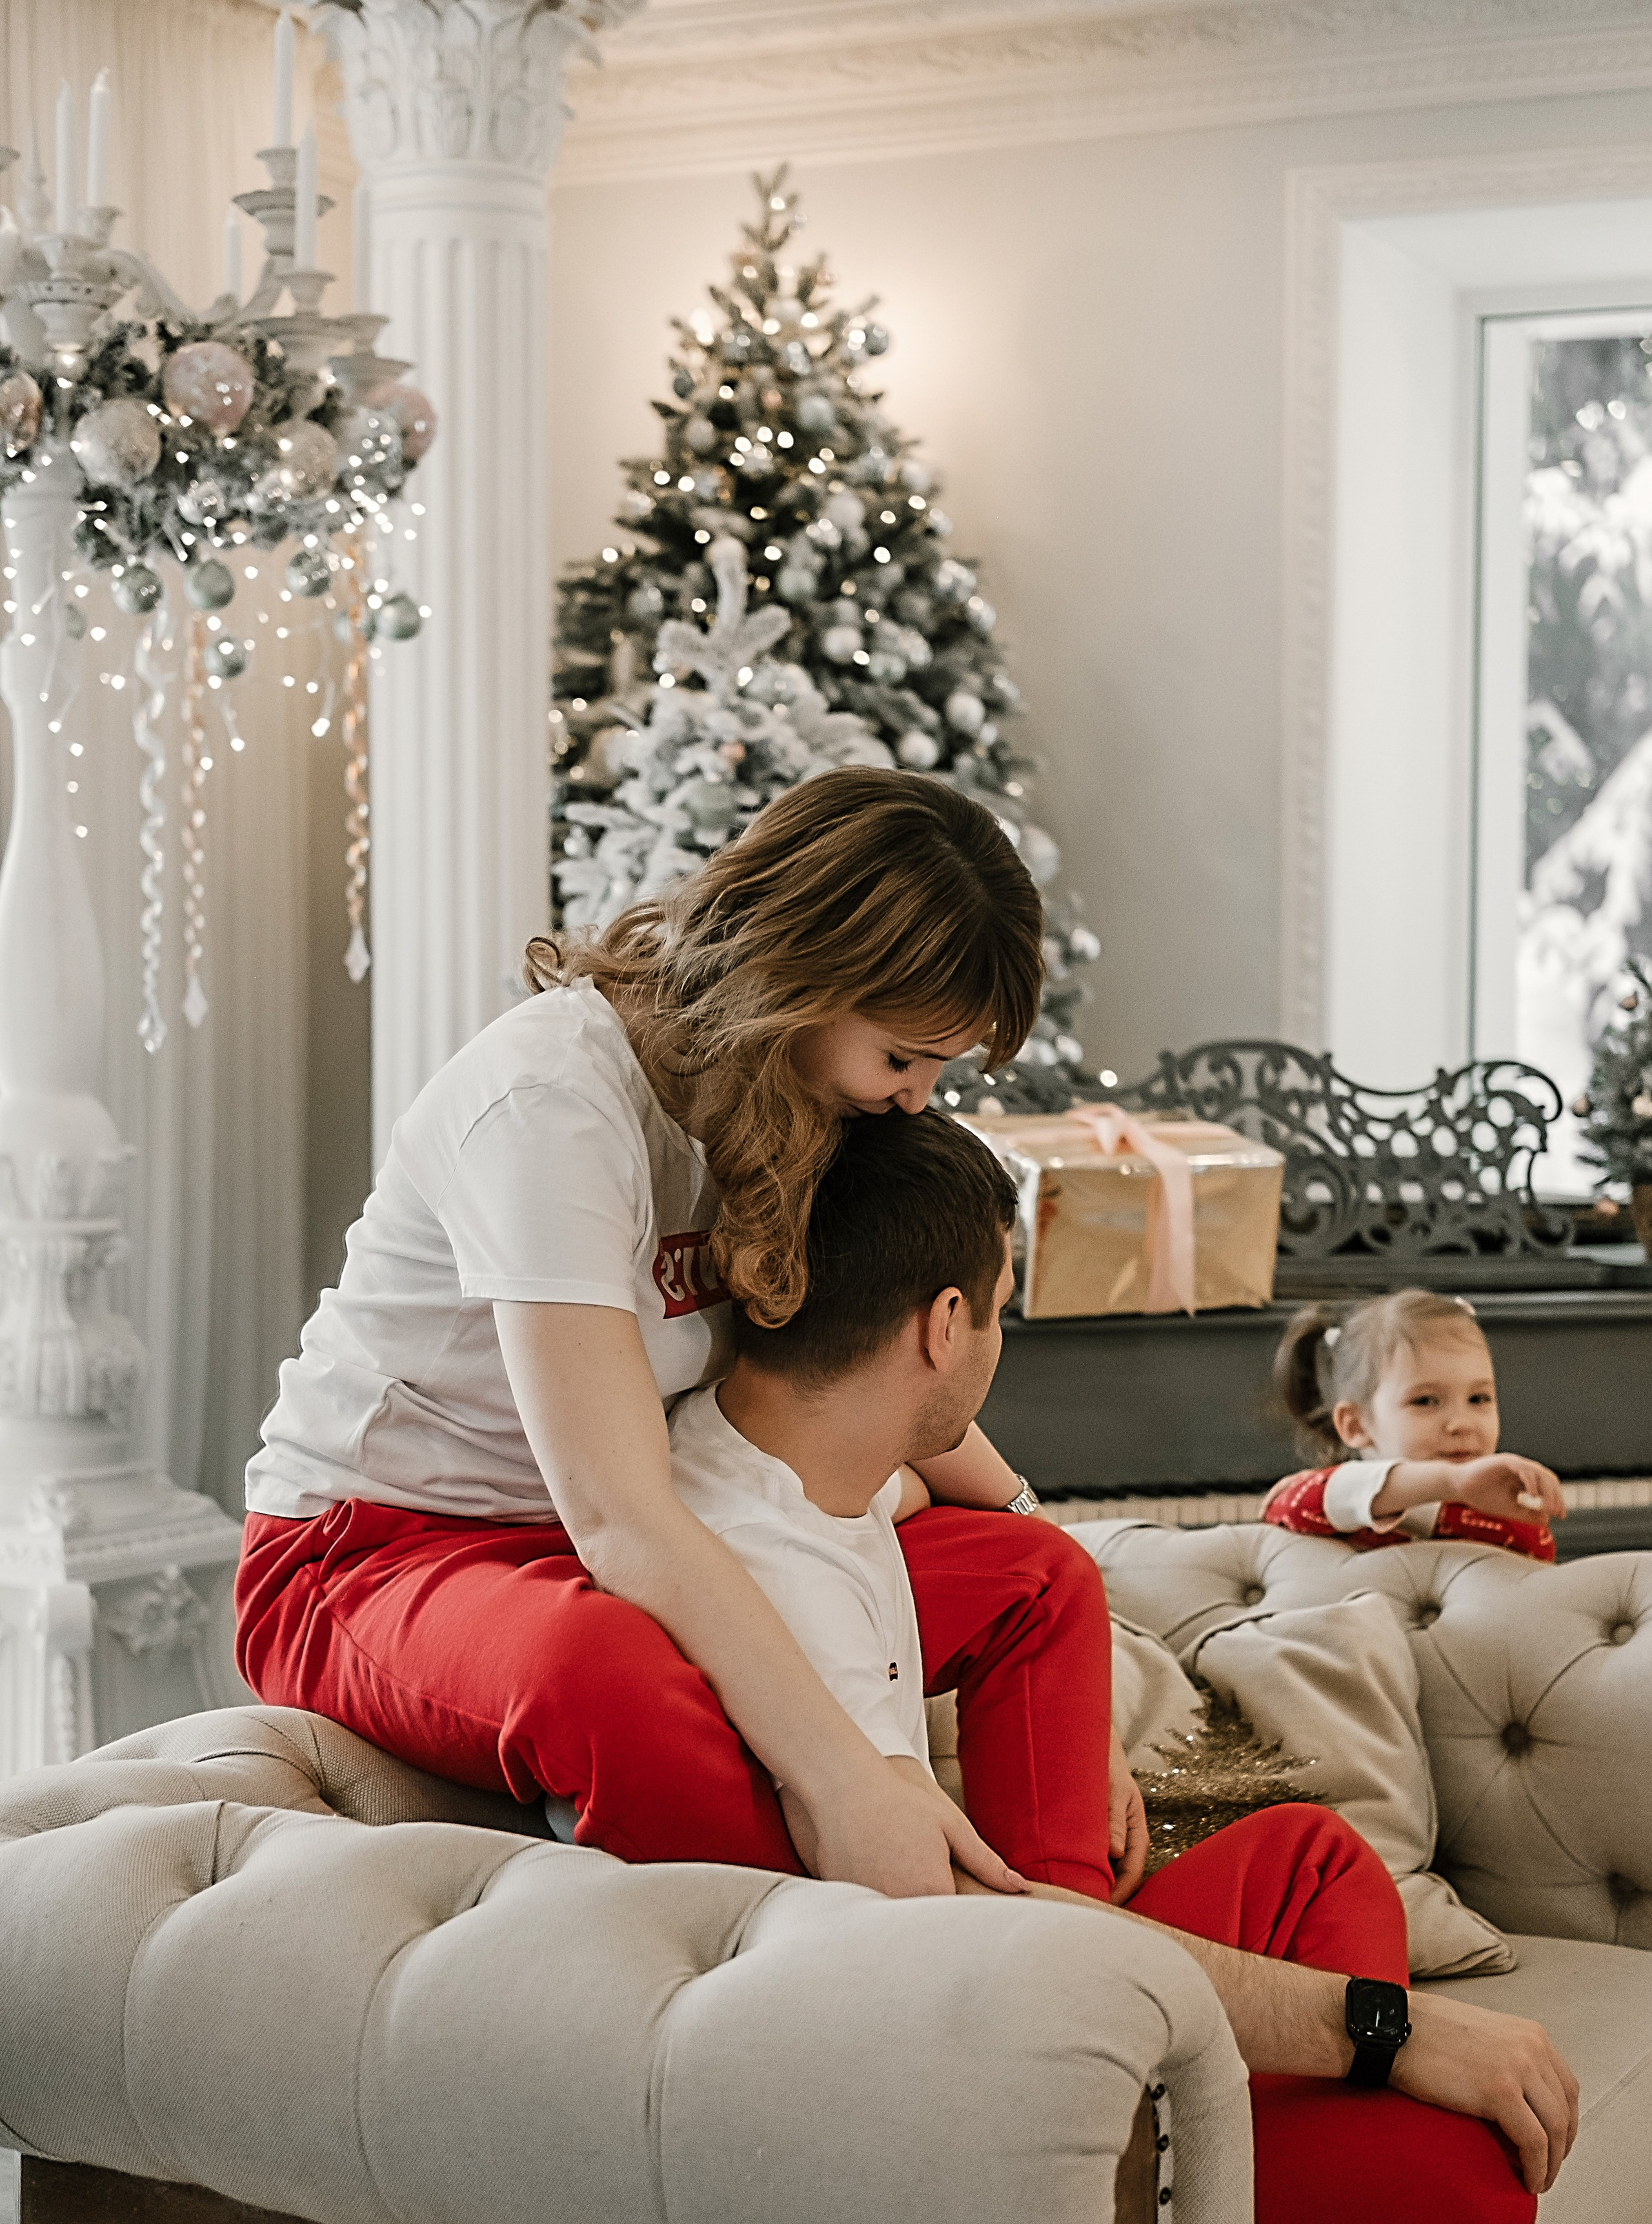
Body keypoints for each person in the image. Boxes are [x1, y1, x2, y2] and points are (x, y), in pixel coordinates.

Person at [233, 769, 1573, 2218]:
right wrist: (848, 1777)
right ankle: (916, 2002)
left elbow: (881, 1390)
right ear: (804, 975)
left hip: (597, 1533)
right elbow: (624, 1523)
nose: (918, 1097)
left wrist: (1038, 1550)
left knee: (1026, 1575)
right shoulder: (550, 1102)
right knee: (605, 1665)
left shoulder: (778, 1090)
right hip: (368, 1557)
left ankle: (1064, 2001)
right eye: (908, 1057)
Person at [681, 1104, 1577, 2219]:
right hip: (959, 2058)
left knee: (1312, 1852)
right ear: (944, 1326)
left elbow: (954, 1500)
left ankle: (1243, 2146)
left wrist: (1078, 1683)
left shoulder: (776, 1451)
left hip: (1009, 1970)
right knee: (1466, 2157)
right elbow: (978, 1936)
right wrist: (1386, 2030)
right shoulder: (787, 1595)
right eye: (1005, 1311)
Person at [1262, 1291, 1566, 1562]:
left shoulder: (1503, 1518)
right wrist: (1452, 1481)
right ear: (1356, 1426)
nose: (1461, 1423)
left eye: (1478, 1398)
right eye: (1425, 1401)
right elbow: (1281, 1509)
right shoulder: (1337, 1497)